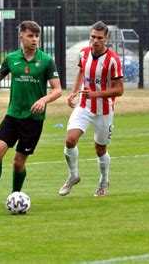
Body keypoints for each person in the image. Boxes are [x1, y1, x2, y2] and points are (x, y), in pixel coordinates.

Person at [0, 20, 62, 210]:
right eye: (30, 35)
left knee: (17, 163)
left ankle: (15, 196)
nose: (34, 39)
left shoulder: (46, 61)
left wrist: (43, 100)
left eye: (37, 36)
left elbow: (57, 90)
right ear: (21, 36)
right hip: (12, 116)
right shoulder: (12, 59)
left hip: (33, 121)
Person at [59, 21, 124, 197]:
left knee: (100, 149)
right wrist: (73, 92)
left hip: (103, 110)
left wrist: (96, 94)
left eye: (99, 38)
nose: (95, 41)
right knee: (70, 140)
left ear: (106, 38)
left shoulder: (113, 60)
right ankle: (73, 175)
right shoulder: (84, 54)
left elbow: (119, 90)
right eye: (93, 37)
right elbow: (81, 72)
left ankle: (104, 180)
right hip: (83, 106)